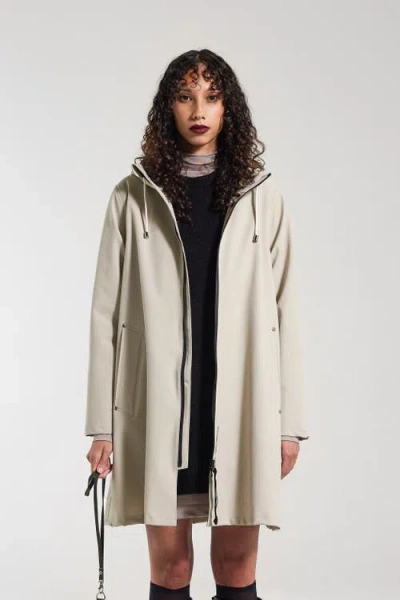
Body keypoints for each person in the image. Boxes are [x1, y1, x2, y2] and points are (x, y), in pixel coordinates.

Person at [85, 48, 309, 600]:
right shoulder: (133, 197)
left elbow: (286, 311)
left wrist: (289, 424)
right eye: (185, 97)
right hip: (160, 408)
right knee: (171, 567)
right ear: (169, 107)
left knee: (236, 565)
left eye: (211, 97)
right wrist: (102, 427)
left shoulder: (261, 197)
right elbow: (105, 315)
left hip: (241, 404)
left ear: (229, 108)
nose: (199, 110)